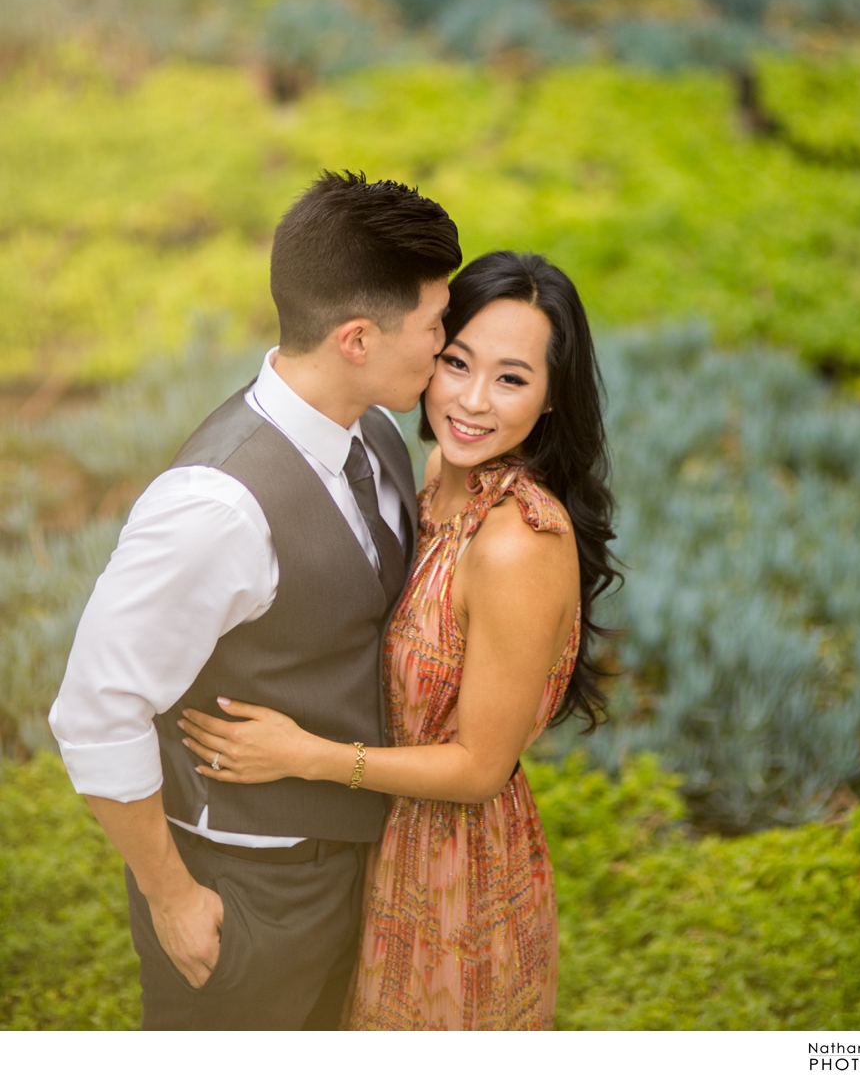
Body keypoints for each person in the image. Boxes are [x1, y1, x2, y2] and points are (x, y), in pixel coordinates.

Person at [49, 171, 462, 1031]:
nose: (444, 344)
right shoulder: (216, 507)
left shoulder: (374, 432)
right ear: (357, 338)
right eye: (434, 325)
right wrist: (172, 899)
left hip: (361, 869)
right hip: (249, 896)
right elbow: (96, 711)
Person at [178, 250, 619, 1030]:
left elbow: (482, 768)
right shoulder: (432, 471)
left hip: (454, 870)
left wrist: (301, 755)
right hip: (373, 841)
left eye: (512, 378)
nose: (472, 402)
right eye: (456, 362)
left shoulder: (517, 542)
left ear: (553, 398)